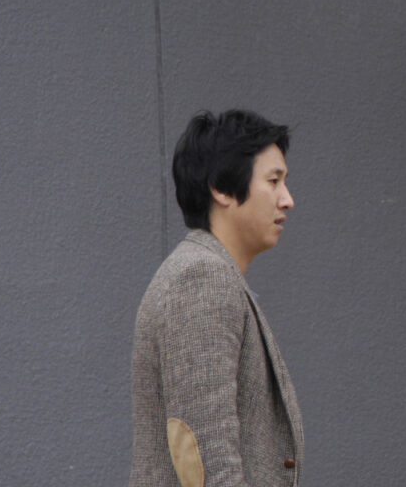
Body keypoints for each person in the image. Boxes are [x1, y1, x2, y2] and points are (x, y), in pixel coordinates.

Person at [130, 109, 303, 486]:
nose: (287, 199)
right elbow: (209, 465)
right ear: (221, 188)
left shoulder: (209, 273)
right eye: (273, 181)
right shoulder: (201, 278)